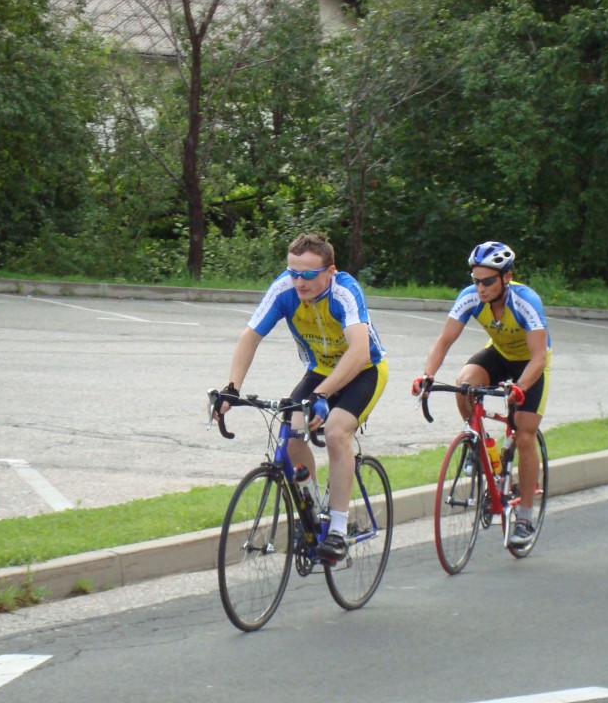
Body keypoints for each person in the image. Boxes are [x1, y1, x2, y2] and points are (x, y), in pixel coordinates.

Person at [216, 232, 388, 563]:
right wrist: (232, 388)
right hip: (322, 368)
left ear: (330, 271)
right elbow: (250, 336)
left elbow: (359, 349)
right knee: (292, 433)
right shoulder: (285, 288)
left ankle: (337, 528)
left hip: (364, 368)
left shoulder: (345, 291)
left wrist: (324, 394)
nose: (299, 281)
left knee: (337, 432)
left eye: (308, 274)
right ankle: (313, 508)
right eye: (293, 272)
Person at [413, 241, 550, 546]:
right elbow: (444, 340)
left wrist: (521, 387)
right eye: (475, 280)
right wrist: (427, 375)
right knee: (464, 385)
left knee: (525, 432)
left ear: (507, 277)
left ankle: (525, 518)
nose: (480, 288)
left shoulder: (526, 301)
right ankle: (482, 446)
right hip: (500, 355)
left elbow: (539, 357)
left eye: (487, 281)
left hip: (531, 364)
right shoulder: (470, 297)